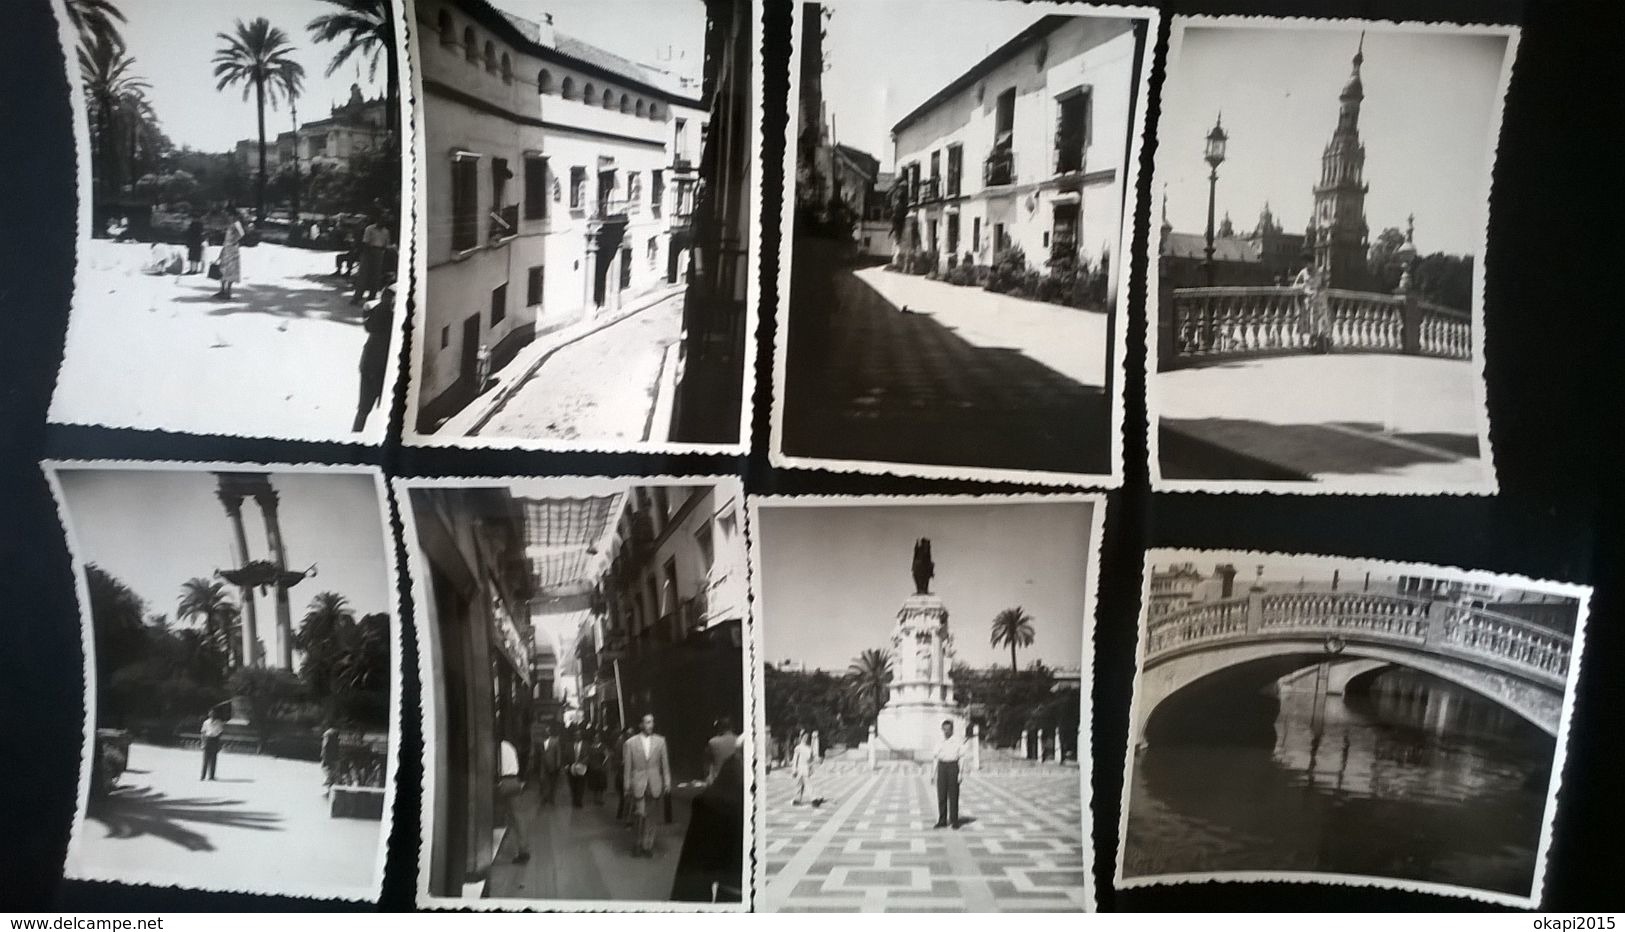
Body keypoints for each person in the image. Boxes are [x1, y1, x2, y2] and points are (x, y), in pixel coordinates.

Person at [623, 713, 671, 857]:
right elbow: (627, 767)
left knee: (651, 816)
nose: (651, 725)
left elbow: (665, 765)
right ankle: (637, 843)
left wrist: (667, 782)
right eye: (648, 722)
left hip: (655, 783)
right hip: (638, 783)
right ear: (641, 725)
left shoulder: (660, 741)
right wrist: (627, 786)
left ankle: (647, 846)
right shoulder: (630, 743)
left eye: (652, 722)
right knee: (639, 815)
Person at [351, 283, 396, 432]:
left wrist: (366, 311)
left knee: (363, 409)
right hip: (386, 368)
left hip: (371, 365)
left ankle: (356, 438)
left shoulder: (379, 310)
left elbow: (369, 326)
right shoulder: (397, 314)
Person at [497, 737, 530, 864]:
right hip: (514, 781)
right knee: (518, 817)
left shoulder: (495, 747)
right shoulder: (509, 745)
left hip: (503, 782)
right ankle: (524, 851)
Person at [931, 719, 965, 829]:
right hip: (942, 767)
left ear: (952, 730)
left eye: (948, 729)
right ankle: (942, 820)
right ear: (942, 730)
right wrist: (933, 774)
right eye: (944, 729)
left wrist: (960, 773)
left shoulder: (957, 741)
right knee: (941, 795)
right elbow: (935, 758)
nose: (946, 732)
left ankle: (954, 820)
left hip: (953, 766)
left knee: (953, 795)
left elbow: (962, 757)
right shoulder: (939, 741)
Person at [353, 212, 393, 305]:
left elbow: (386, 244)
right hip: (368, 252)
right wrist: (368, 254)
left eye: (384, 220)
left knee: (376, 276)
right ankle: (357, 297)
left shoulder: (386, 231)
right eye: (381, 219)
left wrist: (382, 253)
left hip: (379, 253)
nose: (382, 222)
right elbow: (365, 242)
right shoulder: (370, 229)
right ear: (377, 220)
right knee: (363, 275)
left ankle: (371, 297)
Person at [214, 207, 245, 300]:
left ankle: (228, 292)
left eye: (228, 214)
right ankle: (222, 290)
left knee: (231, 270)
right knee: (223, 268)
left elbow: (241, 233)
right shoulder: (230, 224)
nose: (227, 216)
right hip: (227, 248)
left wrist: (233, 241)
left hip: (232, 250)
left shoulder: (236, 223)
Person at [705, 717, 739, 787]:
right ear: (732, 727)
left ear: (719, 727)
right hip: (736, 782)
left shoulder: (712, 742)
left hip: (717, 783)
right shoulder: (739, 741)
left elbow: (706, 764)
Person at [563, 728, 590, 808]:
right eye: (575, 735)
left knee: (581, 785)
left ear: (581, 736)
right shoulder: (569, 745)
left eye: (578, 735)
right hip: (571, 768)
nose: (577, 736)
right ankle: (574, 799)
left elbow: (589, 755)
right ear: (573, 736)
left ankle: (579, 801)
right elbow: (565, 756)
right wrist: (566, 765)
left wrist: (585, 761)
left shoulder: (586, 745)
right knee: (572, 785)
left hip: (582, 768)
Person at [790, 729, 815, 805]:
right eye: (804, 736)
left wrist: (811, 768)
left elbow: (811, 760)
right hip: (799, 769)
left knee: (807, 784)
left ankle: (813, 799)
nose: (806, 738)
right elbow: (795, 759)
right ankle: (798, 799)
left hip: (806, 768)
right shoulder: (798, 748)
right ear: (801, 737)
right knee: (799, 785)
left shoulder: (809, 748)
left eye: (807, 737)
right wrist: (794, 769)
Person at [199, 709, 225, 781]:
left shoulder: (219, 722)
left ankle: (211, 776)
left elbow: (221, 732)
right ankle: (202, 776)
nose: (212, 715)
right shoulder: (206, 722)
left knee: (213, 759)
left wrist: (218, 743)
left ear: (215, 714)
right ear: (209, 714)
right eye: (211, 714)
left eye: (213, 714)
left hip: (215, 739)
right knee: (205, 759)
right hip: (208, 739)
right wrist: (203, 742)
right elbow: (203, 732)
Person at [587, 732, 610, 807]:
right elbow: (589, 757)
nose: (596, 739)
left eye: (597, 737)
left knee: (602, 785)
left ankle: (601, 799)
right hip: (593, 769)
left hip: (601, 769)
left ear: (600, 738)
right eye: (595, 737)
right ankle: (595, 799)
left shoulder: (603, 746)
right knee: (594, 784)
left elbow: (607, 756)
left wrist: (603, 765)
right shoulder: (591, 747)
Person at [319, 726, 341, 797]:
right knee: (334, 773)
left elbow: (325, 746)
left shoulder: (327, 735)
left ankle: (329, 787)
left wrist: (323, 754)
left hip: (329, 758)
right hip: (335, 758)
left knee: (327, 771)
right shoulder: (336, 738)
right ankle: (332, 790)